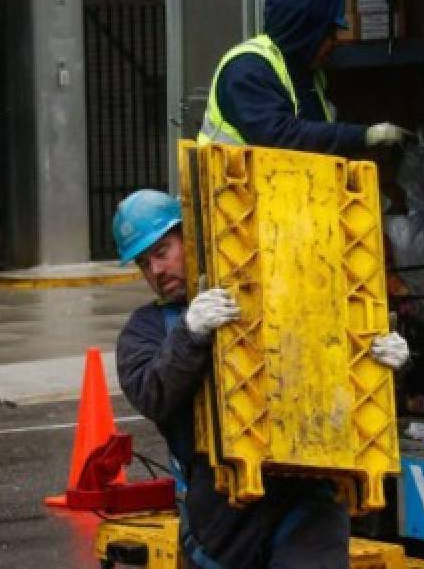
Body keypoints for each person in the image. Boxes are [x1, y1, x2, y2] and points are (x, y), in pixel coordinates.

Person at [112, 190, 409, 569]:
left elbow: (342, 380)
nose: (156, 271)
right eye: (143, 263)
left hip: (306, 499)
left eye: (161, 252)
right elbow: (152, 393)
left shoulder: (281, 292)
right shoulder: (146, 330)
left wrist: (386, 367)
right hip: (224, 520)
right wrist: (190, 333)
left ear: (190, 236)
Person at [198, 0, 410, 154]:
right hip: (234, 195)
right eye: (330, 33)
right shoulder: (247, 69)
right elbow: (280, 136)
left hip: (283, 192)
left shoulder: (305, 72)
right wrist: (364, 136)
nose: (334, 43)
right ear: (306, 30)